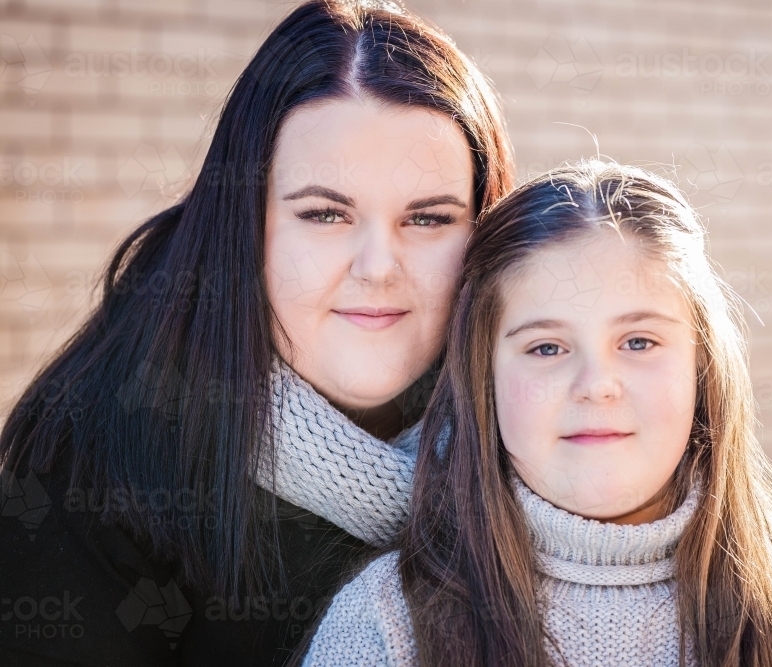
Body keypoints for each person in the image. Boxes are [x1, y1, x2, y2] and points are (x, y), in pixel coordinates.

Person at [0, 1, 512, 665]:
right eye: (326, 213)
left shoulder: (534, 432)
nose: (379, 267)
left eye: (429, 219)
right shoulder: (98, 459)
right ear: (245, 225)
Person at [299, 161, 772, 666]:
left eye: (639, 342)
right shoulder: (383, 628)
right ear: (483, 380)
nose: (597, 385)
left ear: (702, 369)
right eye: (546, 347)